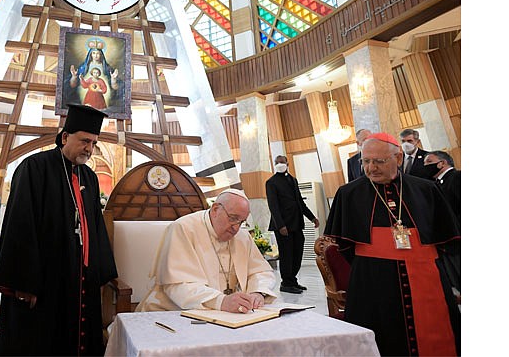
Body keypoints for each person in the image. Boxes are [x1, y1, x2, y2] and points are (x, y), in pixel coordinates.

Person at [0, 104, 117, 356]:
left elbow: (95, 227)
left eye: (93, 143)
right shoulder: (34, 168)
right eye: (84, 141)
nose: (89, 149)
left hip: (79, 279)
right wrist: (24, 282)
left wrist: (100, 273)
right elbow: (20, 226)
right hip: (45, 282)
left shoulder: (89, 178)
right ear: (64, 137)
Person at [324, 133, 460, 356]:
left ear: (397, 158)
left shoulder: (426, 189)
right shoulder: (348, 194)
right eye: (366, 161)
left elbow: (445, 237)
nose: (371, 168)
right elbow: (344, 246)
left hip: (427, 279)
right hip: (372, 282)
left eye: (379, 161)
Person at [136, 189, 278, 313]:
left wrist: (257, 292)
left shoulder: (242, 237)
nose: (236, 227)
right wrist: (220, 301)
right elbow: (177, 285)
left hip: (226, 315)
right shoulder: (183, 228)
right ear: (216, 209)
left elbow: (261, 271)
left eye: (241, 222)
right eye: (233, 218)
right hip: (173, 311)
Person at [265, 156, 319, 294]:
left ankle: (292, 279)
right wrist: (281, 225)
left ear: (287, 164)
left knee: (297, 252)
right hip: (283, 226)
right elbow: (273, 206)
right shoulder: (271, 182)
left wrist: (312, 217)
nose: (280, 164)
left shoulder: (292, 180)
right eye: (277, 162)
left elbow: (300, 202)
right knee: (287, 254)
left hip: (296, 223)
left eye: (282, 162)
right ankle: (286, 283)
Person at [424, 150, 461, 293]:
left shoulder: (457, 177)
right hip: (448, 242)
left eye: (429, 162)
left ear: (442, 163)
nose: (425, 166)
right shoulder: (437, 184)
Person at [66, 41, 121, 113]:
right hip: (87, 93)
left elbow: (115, 87)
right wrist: (74, 77)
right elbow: (73, 85)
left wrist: (113, 79)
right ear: (90, 54)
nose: (96, 55)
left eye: (98, 53)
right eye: (94, 53)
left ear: (101, 55)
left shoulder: (107, 68)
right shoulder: (84, 67)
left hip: (101, 94)